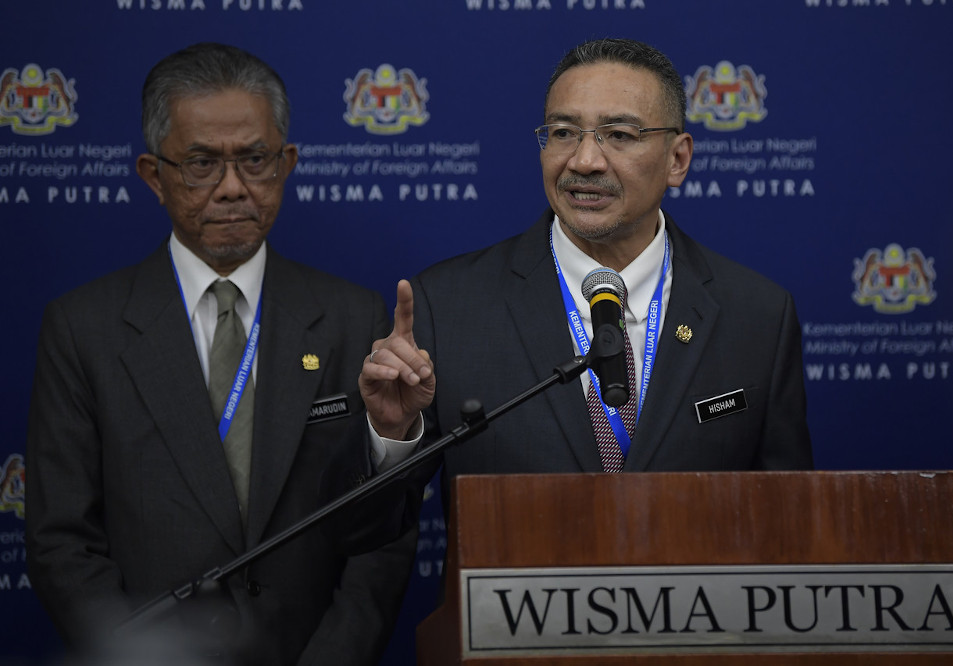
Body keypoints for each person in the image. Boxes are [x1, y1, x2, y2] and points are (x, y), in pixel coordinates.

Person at [26, 43, 432, 666]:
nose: (233, 188)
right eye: (201, 164)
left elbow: (379, 538)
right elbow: (62, 543)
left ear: (286, 164)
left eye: (255, 160)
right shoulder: (83, 329)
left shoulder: (352, 318)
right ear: (153, 176)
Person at [361, 38, 812, 498]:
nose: (584, 161)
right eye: (563, 132)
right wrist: (392, 435)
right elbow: (375, 527)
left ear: (677, 160)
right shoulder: (448, 306)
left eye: (619, 135)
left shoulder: (758, 315)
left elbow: (789, 516)